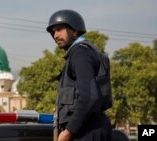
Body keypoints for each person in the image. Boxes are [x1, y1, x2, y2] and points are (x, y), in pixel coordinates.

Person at [46, 9, 112, 141]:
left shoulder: (80, 53)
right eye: (53, 32)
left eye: (59, 29)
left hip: (87, 131)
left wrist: (68, 131)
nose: (55, 35)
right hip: (88, 128)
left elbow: (89, 97)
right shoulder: (82, 52)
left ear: (74, 31)